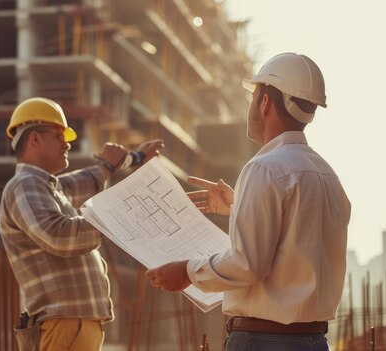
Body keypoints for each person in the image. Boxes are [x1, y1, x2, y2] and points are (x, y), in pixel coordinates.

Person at [145, 53, 351, 350]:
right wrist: (238, 206)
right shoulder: (328, 176)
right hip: (314, 342)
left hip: (263, 341)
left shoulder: (264, 168)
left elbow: (247, 263)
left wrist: (186, 271)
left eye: (253, 98)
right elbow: (298, 237)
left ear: (265, 103)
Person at [0, 97, 164, 351]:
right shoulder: (24, 185)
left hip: (73, 323)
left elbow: (89, 179)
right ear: (34, 138)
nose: (67, 144)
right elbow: (59, 236)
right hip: (64, 322)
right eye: (58, 135)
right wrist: (118, 214)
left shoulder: (49, 188)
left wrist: (135, 157)